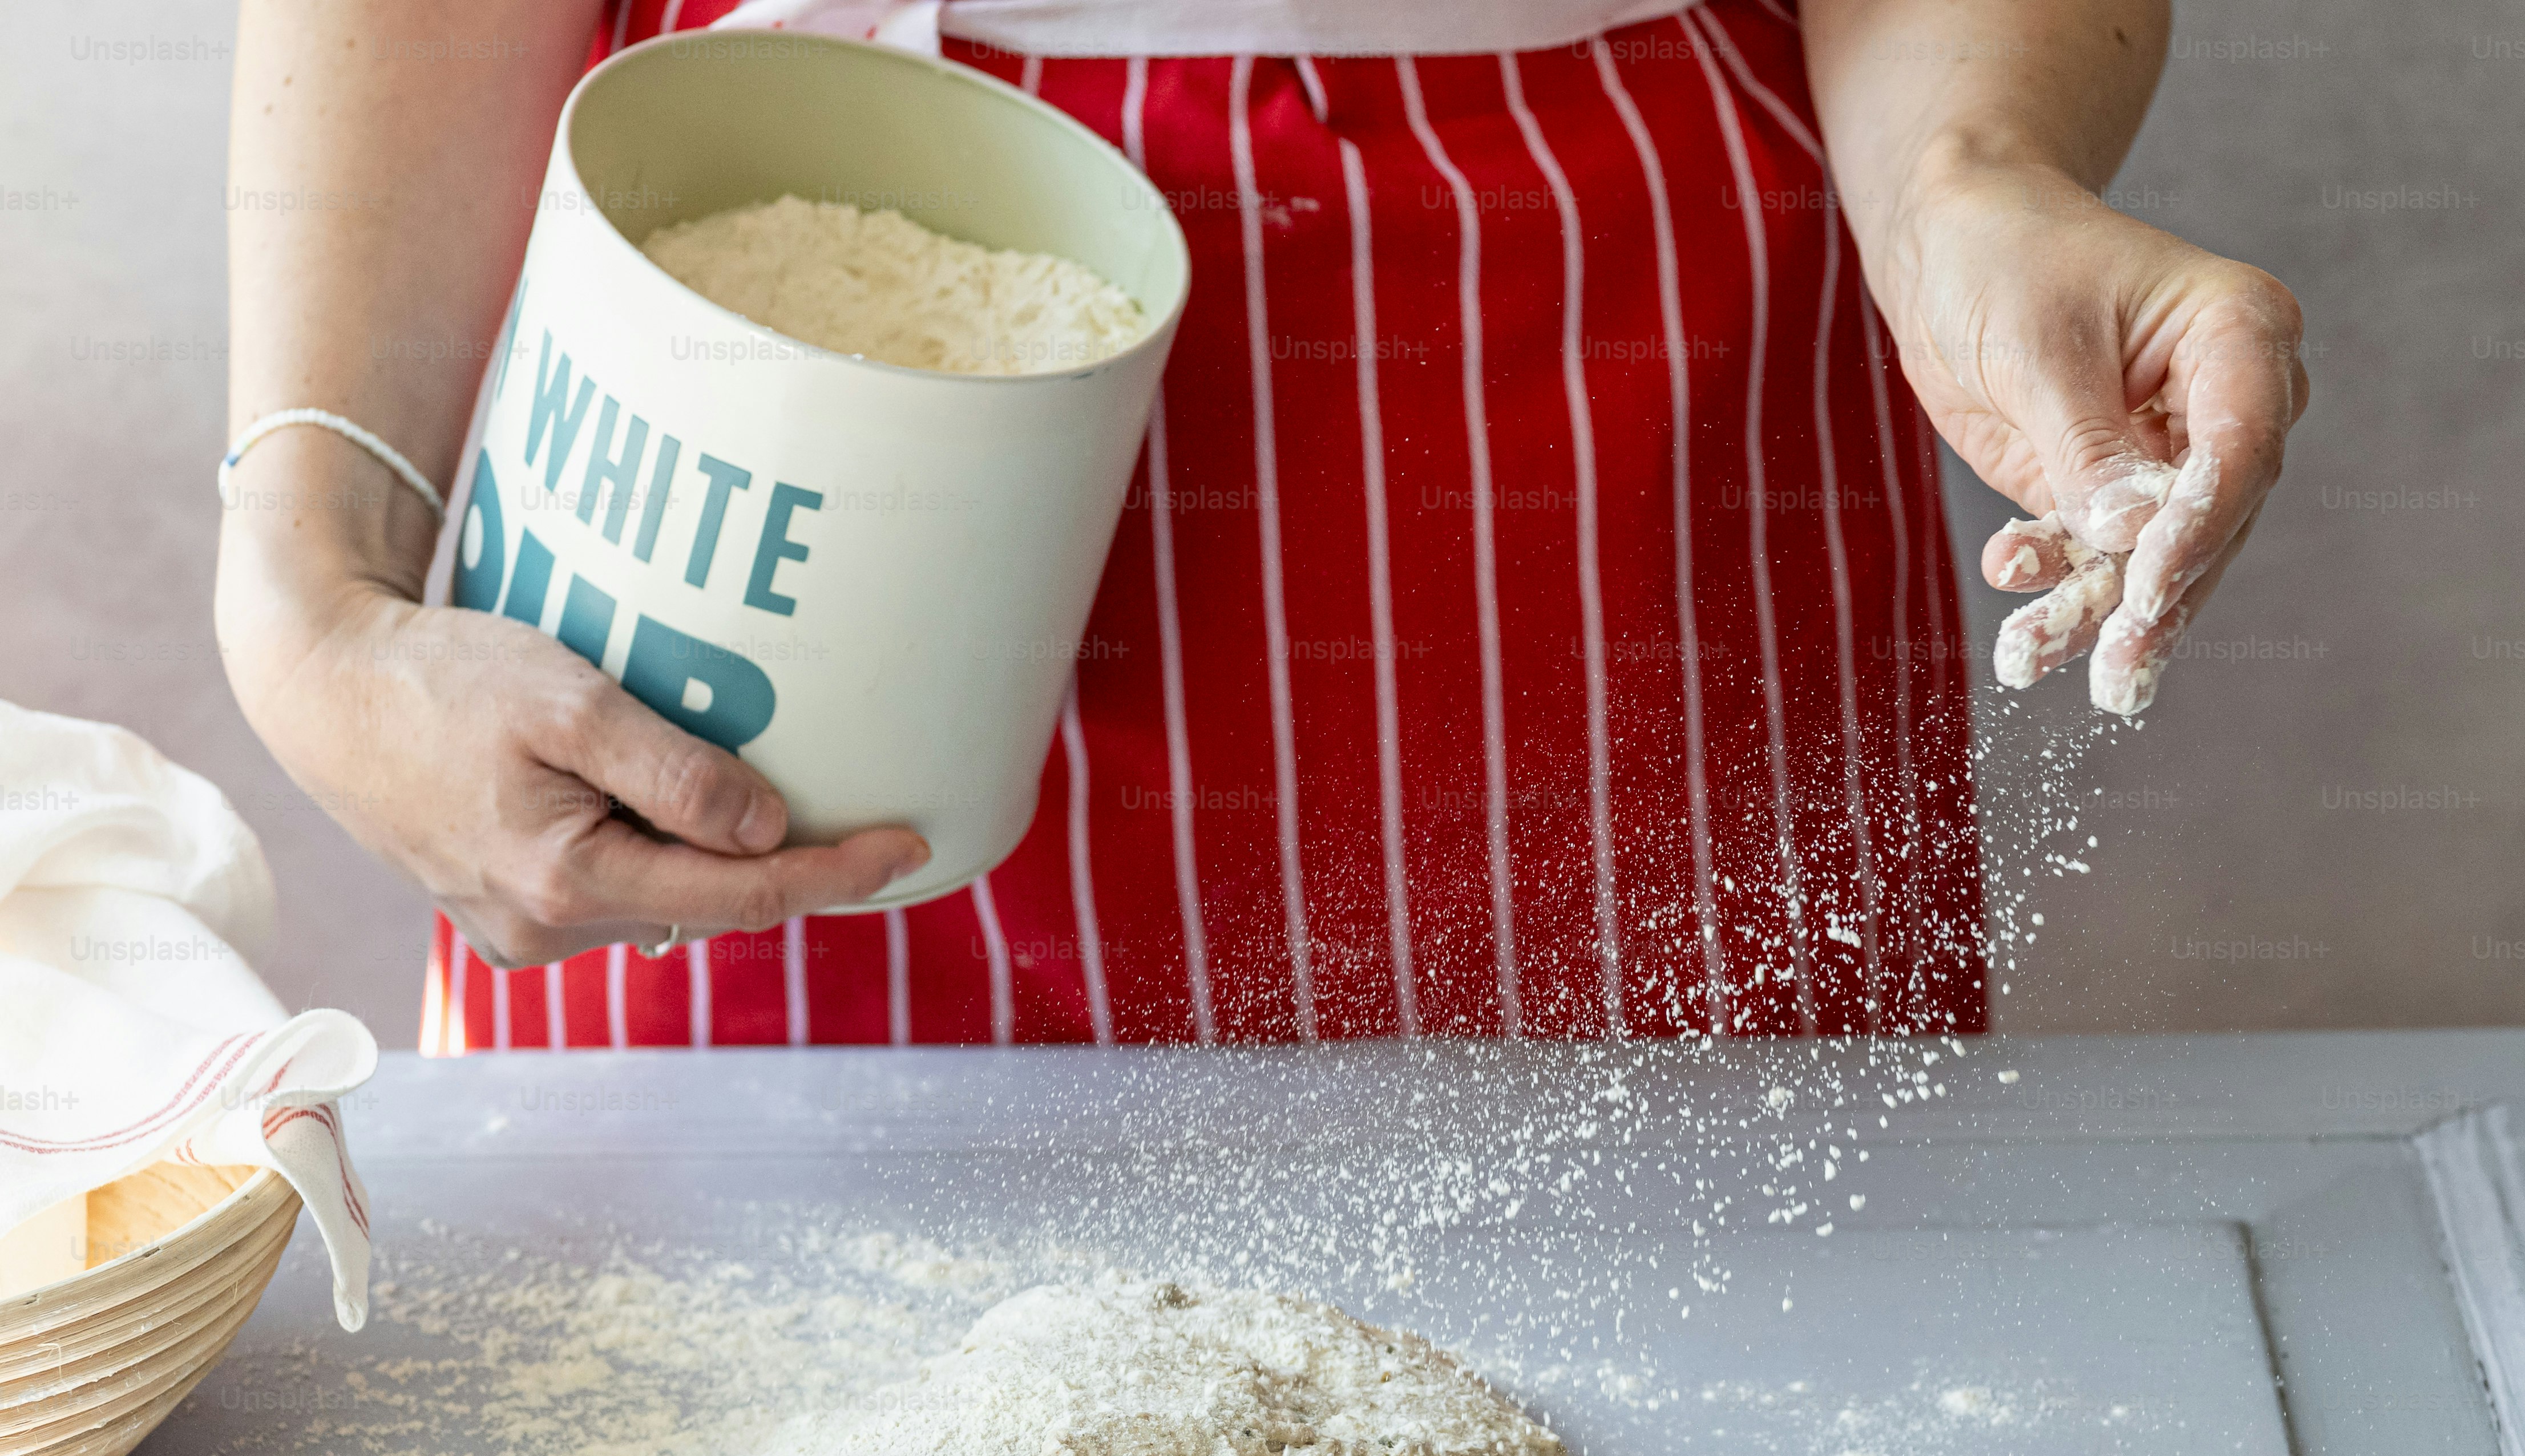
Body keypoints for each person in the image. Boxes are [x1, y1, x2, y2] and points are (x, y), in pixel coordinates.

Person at [214, 0, 2303, 1051]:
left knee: (1732, 1455)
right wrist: (307, 576)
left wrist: (1973, 181)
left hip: (1606, 356)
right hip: (779, 348)